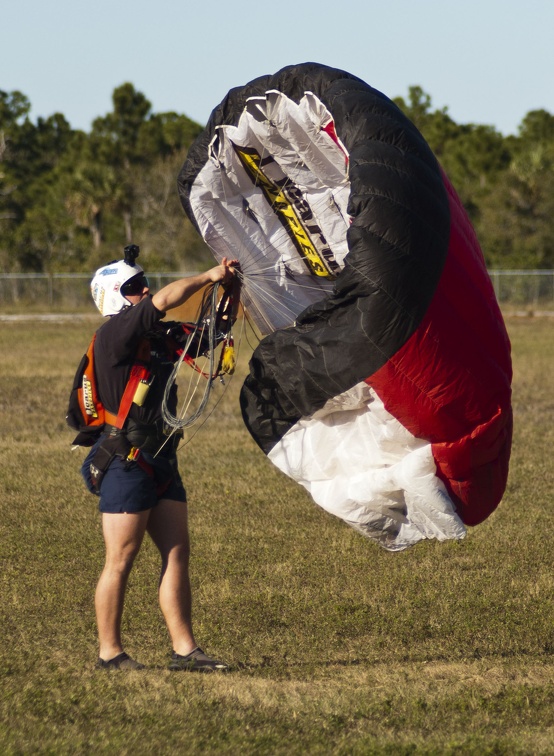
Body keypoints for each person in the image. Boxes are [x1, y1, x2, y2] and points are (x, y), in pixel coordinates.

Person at [79, 245, 237, 671]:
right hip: (125, 461)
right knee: (121, 558)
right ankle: (109, 653)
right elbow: (164, 299)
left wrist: (230, 291)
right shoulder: (115, 335)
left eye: (143, 284)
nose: (144, 290)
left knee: (176, 552)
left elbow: (211, 336)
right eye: (134, 287)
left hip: (162, 456)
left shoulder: (157, 337)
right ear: (116, 296)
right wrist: (208, 276)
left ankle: (184, 650)